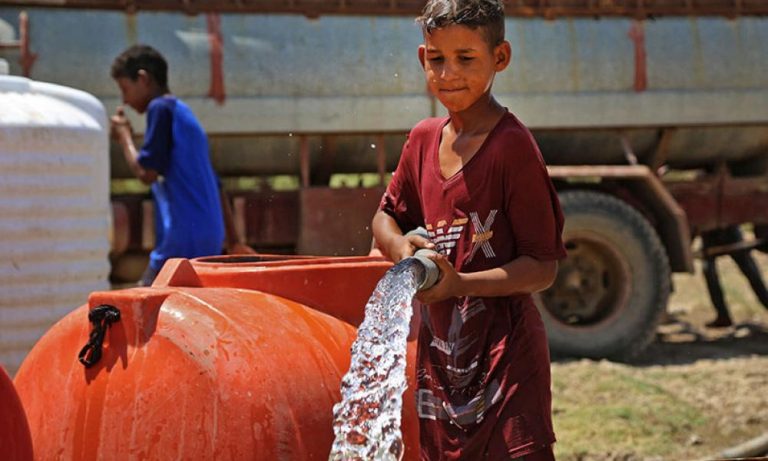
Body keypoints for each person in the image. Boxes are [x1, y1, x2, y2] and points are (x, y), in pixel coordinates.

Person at [372, 1, 566, 459]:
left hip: (506, 360)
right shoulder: (423, 140)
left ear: (500, 57)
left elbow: (542, 268)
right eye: (437, 59)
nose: (448, 73)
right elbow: (384, 218)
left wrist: (460, 283)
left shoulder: (511, 147)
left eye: (466, 58)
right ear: (422, 58)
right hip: (442, 362)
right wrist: (400, 246)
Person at [110, 44, 242, 286]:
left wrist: (124, 137)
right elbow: (216, 184)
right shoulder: (184, 113)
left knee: (145, 299)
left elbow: (147, 173)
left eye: (125, 89)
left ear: (143, 79)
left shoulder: (159, 108)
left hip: (182, 238)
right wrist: (234, 240)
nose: (125, 100)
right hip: (210, 235)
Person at [700, 225, 768, 328]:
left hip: (717, 230)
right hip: (722, 230)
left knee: (711, 272)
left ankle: (723, 316)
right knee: (749, 269)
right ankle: (723, 316)